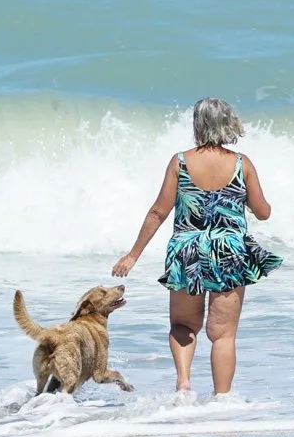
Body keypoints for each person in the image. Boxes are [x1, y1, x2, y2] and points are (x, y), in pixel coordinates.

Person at [112, 98, 282, 394]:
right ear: (227, 123)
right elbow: (263, 212)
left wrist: (132, 255)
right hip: (228, 251)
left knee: (183, 325)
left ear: (197, 124)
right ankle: (222, 398)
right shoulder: (242, 164)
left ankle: (183, 383)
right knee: (223, 334)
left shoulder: (179, 162)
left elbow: (158, 212)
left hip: (187, 250)